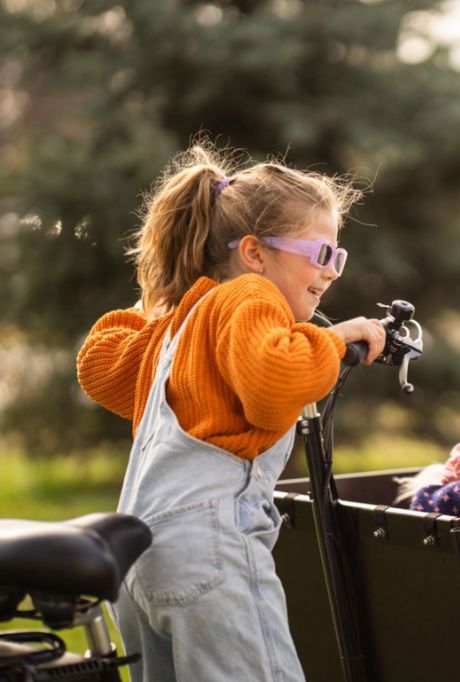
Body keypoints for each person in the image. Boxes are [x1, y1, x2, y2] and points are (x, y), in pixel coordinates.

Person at [76, 144, 386, 681]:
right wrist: (333, 341)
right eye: (320, 255)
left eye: (338, 258)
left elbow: (99, 363)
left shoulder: (188, 319)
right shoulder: (250, 297)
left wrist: (165, 298)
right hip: (208, 553)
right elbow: (275, 382)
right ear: (254, 252)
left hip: (139, 558)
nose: (331, 273)